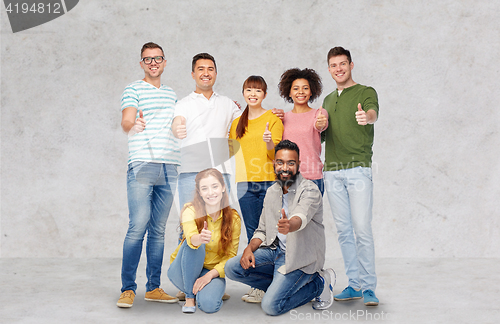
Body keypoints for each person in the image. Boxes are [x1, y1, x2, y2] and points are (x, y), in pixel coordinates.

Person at [225, 140, 335, 316]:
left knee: (271, 306)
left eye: (291, 163)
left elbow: (301, 217)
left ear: (298, 165)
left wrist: (289, 225)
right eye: (280, 162)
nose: (285, 168)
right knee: (232, 267)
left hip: (300, 258)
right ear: (274, 164)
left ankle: (319, 283)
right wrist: (249, 248)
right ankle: (280, 286)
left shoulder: (310, 190)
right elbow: (261, 230)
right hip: (274, 252)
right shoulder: (272, 192)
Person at [117, 42, 179, 308]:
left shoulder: (172, 94)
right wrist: (134, 125)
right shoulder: (133, 89)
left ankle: (153, 287)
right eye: (148, 59)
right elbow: (126, 121)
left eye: (158, 58)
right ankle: (128, 289)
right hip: (142, 163)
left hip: (170, 165)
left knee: (158, 230)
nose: (153, 63)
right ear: (141, 63)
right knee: (137, 226)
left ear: (165, 62)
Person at [322, 46, 380, 306]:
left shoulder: (365, 92)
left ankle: (369, 288)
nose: (339, 69)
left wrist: (366, 118)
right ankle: (354, 285)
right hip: (332, 171)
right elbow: (320, 134)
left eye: (342, 64)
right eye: (334, 65)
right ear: (329, 69)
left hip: (358, 169)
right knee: (344, 231)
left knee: (362, 230)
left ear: (351, 65)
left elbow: (372, 113)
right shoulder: (326, 100)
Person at [228, 75, 283, 303]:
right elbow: (230, 151)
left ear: (265, 95)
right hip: (244, 184)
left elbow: (276, 154)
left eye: (258, 91)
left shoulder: (273, 119)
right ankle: (258, 283)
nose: (253, 94)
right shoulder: (237, 123)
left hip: (270, 182)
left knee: (271, 235)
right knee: (253, 233)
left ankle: (270, 283)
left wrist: (269, 141)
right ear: (243, 93)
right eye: (249, 90)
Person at [167, 168, 241, 314]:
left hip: (210, 271)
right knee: (194, 244)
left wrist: (209, 276)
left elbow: (231, 256)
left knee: (209, 306)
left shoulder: (234, 218)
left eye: (215, 186)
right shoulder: (190, 210)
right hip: (182, 269)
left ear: (223, 187)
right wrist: (199, 238)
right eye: (204, 188)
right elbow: (190, 236)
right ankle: (189, 297)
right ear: (199, 192)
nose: (211, 192)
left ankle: (204, 290)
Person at [278, 68, 328, 195]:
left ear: (311, 92)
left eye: (305, 88)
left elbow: (320, 125)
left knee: (311, 215)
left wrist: (321, 123)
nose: (300, 92)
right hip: (288, 178)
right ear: (289, 92)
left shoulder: (319, 113)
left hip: (313, 178)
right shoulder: (282, 118)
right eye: (296, 88)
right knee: (289, 215)